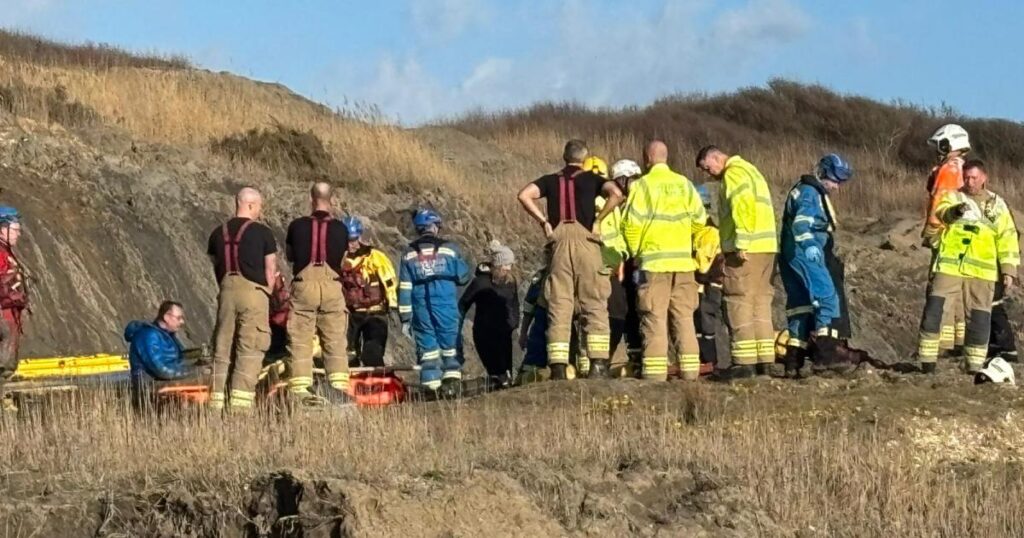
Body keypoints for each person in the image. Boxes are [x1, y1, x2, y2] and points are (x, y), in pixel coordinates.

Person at [517, 139, 624, 380]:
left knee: (559, 303)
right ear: (584, 159)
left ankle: (558, 366)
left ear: (564, 157)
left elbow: (524, 195)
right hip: (587, 243)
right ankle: (597, 364)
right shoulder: (592, 179)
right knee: (594, 301)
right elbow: (617, 194)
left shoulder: (550, 180)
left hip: (559, 245)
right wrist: (598, 220)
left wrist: (544, 222)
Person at [916, 160, 1019, 374]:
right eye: (967, 177)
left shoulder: (997, 204)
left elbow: (1007, 237)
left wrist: (1008, 270)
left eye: (974, 177)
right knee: (935, 310)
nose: (970, 182)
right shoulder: (954, 197)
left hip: (983, 271)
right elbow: (942, 213)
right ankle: (927, 362)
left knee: (980, 317)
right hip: (950, 265)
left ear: (984, 178)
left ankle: (974, 365)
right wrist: (955, 212)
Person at [622, 140, 706, 381]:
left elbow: (631, 225)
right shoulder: (685, 184)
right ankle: (690, 374)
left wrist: (638, 253)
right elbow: (700, 221)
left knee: (654, 317)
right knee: (684, 317)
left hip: (654, 263)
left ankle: (655, 376)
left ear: (647, 158)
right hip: (683, 263)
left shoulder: (642, 186)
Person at [696, 146, 778, 379]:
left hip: (746, 250)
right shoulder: (752, 171)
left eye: (707, 167)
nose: (709, 173)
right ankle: (765, 361)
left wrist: (741, 241)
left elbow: (742, 205)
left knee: (738, 301)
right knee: (760, 304)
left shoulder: (733, 174)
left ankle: (744, 362)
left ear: (716, 157)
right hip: (766, 248)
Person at [779, 154, 857, 376]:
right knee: (827, 298)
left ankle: (793, 360)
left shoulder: (802, 189)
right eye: (835, 180)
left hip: (790, 254)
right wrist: (811, 245)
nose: (837, 187)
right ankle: (826, 355)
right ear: (823, 173)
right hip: (805, 253)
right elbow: (801, 224)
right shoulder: (811, 193)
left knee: (800, 305)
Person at [207, 187, 277, 411]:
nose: (260, 211)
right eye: (258, 206)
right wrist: (268, 291)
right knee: (250, 348)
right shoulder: (263, 233)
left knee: (222, 348)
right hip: (253, 294)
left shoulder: (217, 233)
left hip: (226, 293)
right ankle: (239, 409)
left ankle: (216, 406)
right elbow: (270, 270)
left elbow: (214, 265)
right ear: (249, 205)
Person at [283, 182, 351, 405]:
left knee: (300, 339)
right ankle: (339, 389)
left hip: (304, 285)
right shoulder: (341, 228)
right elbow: (342, 260)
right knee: (334, 339)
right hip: (332, 286)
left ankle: (302, 391)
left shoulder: (296, 226)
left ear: (311, 199)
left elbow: (290, 256)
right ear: (332, 199)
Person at [398, 208, 471, 396]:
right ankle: (452, 385)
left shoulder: (408, 254)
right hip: (445, 302)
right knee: (450, 345)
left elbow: (404, 287)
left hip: (420, 306)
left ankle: (431, 390)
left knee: (427, 349)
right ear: (435, 226)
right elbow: (464, 276)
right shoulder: (449, 249)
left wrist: (405, 317)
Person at [924, 124, 972, 357]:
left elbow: (939, 204)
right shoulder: (965, 169)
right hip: (961, 240)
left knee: (940, 291)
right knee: (957, 294)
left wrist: (932, 233)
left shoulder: (947, 170)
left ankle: (941, 346)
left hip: (945, 236)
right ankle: (957, 342)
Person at [124, 301, 209, 406]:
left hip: (160, 383)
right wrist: (195, 371)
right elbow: (162, 371)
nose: (182, 321)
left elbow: (179, 358)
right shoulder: (148, 336)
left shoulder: (167, 335)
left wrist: (199, 360)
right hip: (150, 387)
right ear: (167, 316)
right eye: (179, 318)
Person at [341, 216, 398, 369]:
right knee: (346, 353)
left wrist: (392, 304)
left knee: (372, 351)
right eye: (347, 240)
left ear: (359, 237)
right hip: (351, 315)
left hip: (375, 313)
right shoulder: (340, 260)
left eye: (353, 240)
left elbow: (389, 281)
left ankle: (379, 379)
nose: (350, 244)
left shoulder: (375, 257)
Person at [459, 241, 519, 387]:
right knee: (496, 370)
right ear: (497, 265)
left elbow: (514, 304)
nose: (508, 269)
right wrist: (456, 326)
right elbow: (463, 304)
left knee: (506, 371)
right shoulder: (480, 283)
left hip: (505, 331)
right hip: (485, 333)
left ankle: (504, 384)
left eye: (510, 265)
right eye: (506, 265)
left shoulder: (510, 282)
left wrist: (514, 323)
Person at [610, 159, 645, 376]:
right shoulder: (623, 201)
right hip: (629, 263)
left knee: (636, 310)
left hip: (637, 260)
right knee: (629, 311)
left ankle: (639, 357)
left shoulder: (636, 200)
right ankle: (634, 356)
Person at [692, 184, 724, 372]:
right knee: (698, 322)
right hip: (702, 284)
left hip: (710, 285)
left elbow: (702, 265)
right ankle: (703, 359)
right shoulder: (699, 231)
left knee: (706, 321)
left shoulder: (709, 232)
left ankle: (710, 360)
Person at [0, 207, 27, 413]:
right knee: (3, 364)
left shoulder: (7, 252)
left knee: (7, 363)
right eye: (15, 228)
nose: (19, 233)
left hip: (11, 314)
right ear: (3, 229)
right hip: (4, 315)